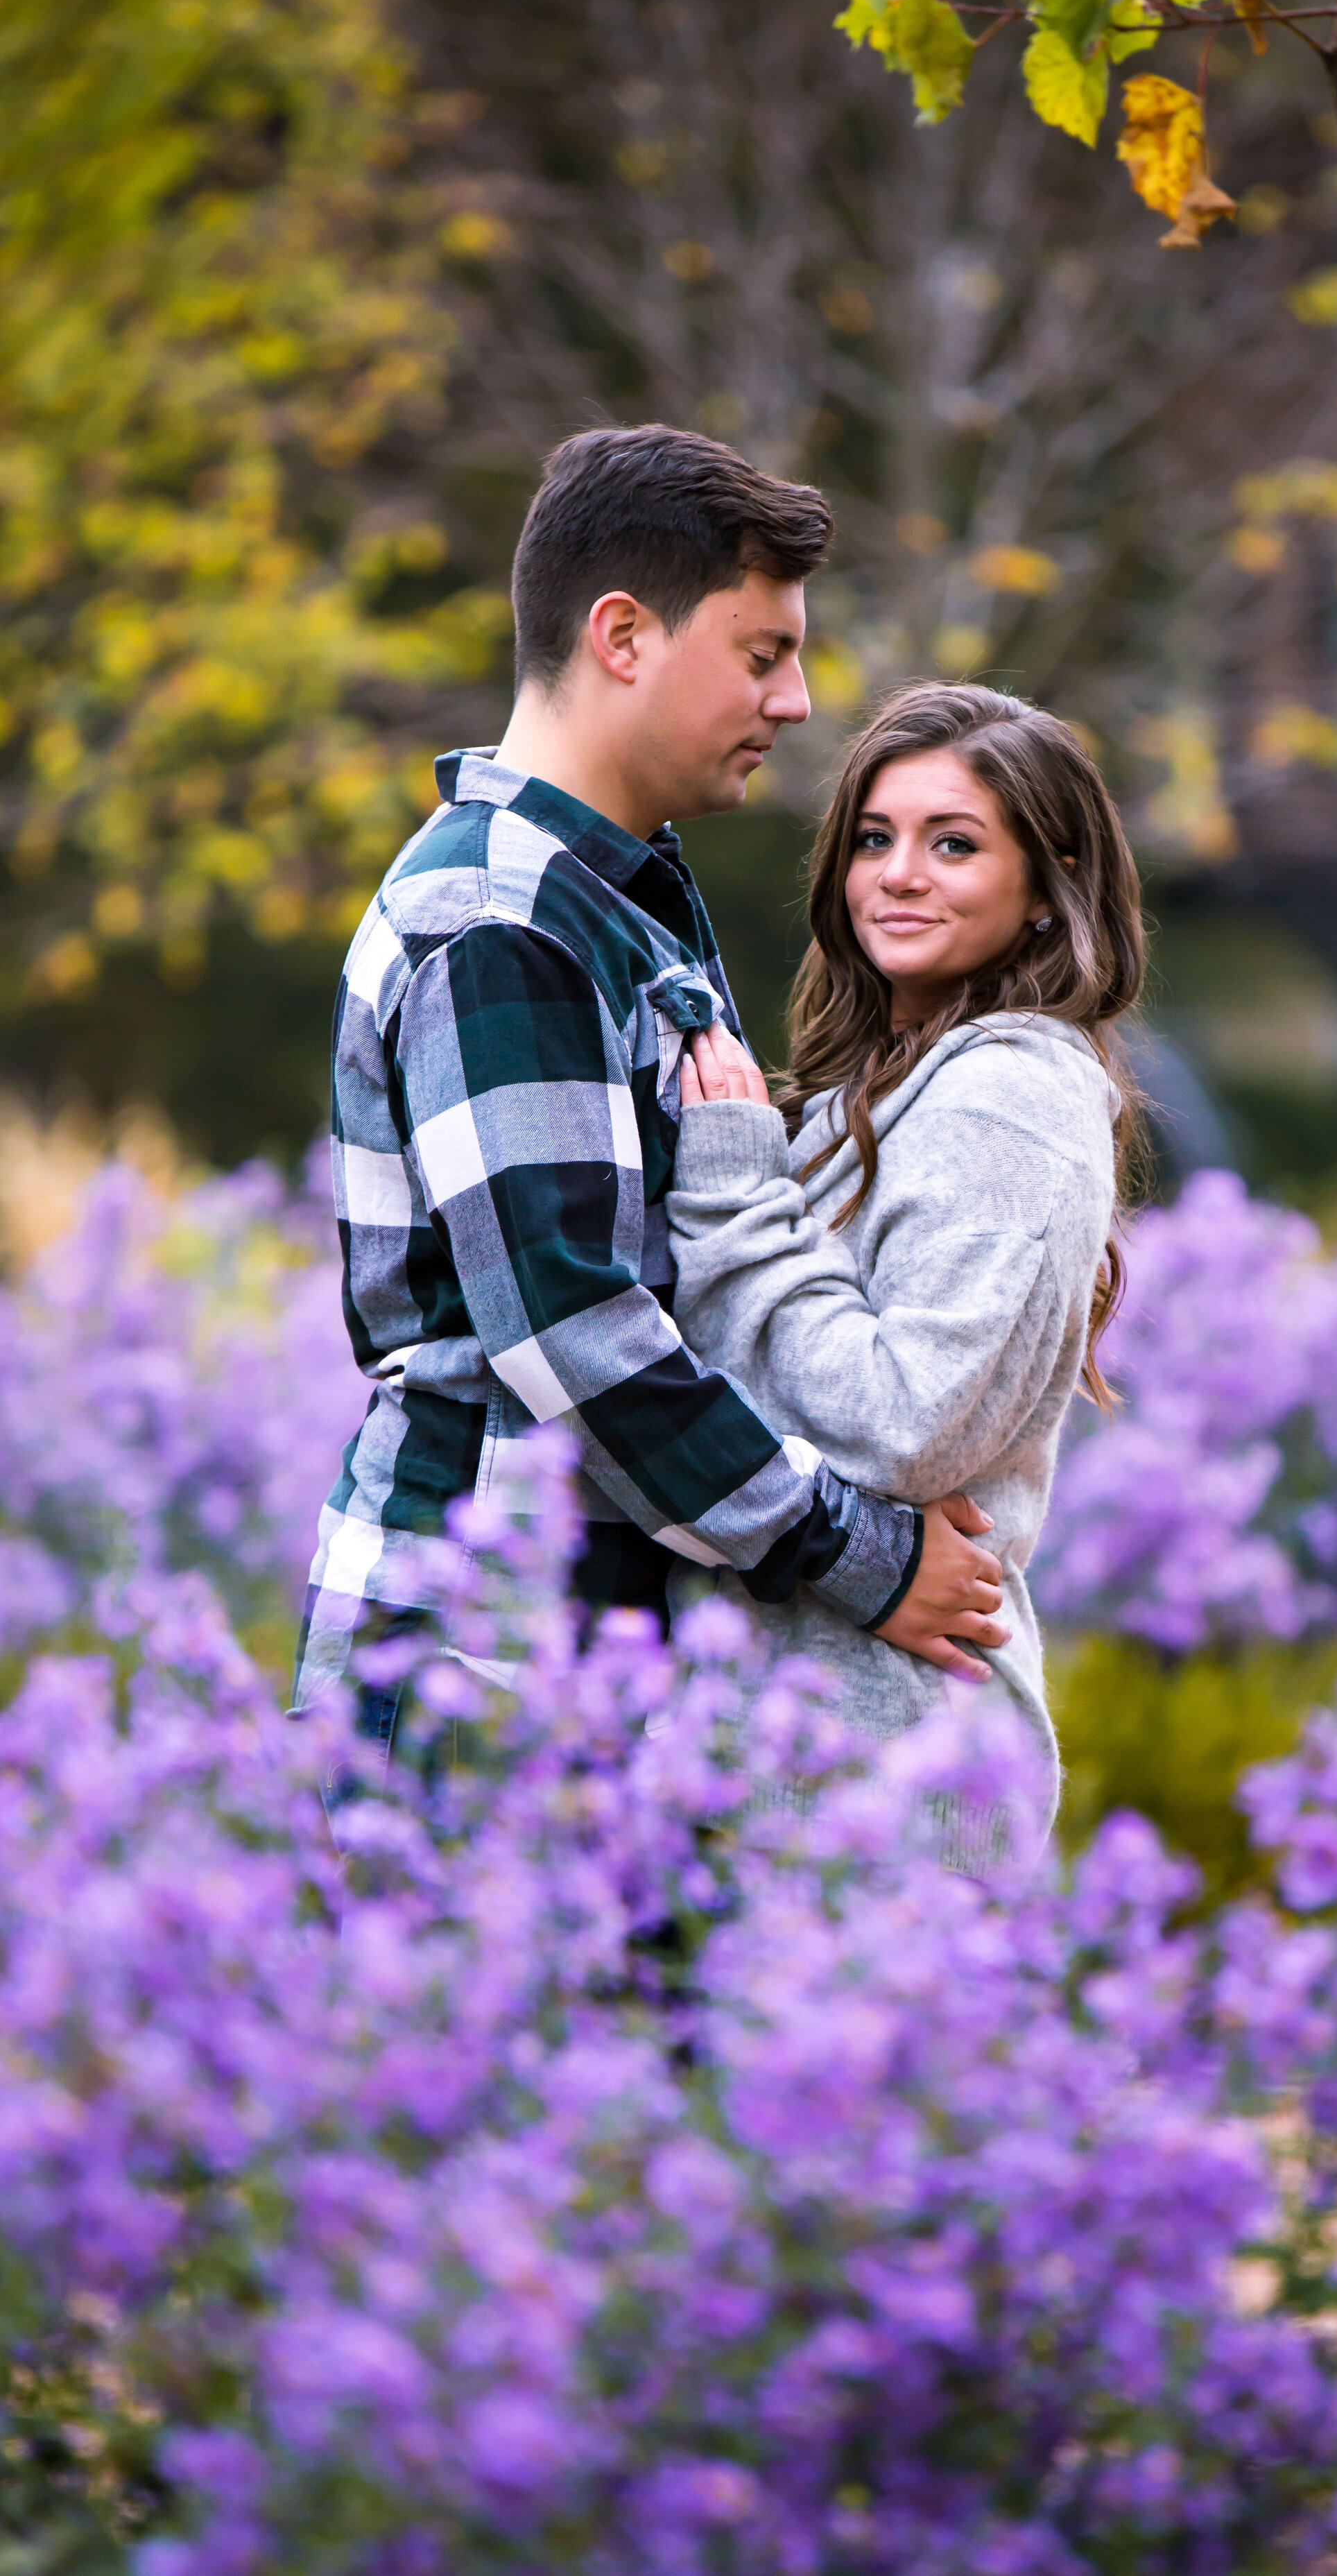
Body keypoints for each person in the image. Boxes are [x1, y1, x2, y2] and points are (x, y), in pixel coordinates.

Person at [294, 427, 1007, 1726]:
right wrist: (860, 1556)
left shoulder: (604, 895)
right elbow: (572, 1329)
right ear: (623, 637)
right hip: (481, 1664)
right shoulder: (503, 926)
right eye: (763, 653)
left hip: (584, 1656)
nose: (793, 701)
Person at [666, 682, 1146, 1844]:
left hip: (890, 1757)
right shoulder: (893, 1085)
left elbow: (903, 1421)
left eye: (955, 843)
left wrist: (734, 1186)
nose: (898, 873)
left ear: (1050, 884)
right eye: (874, 839)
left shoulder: (1007, 1098)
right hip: (818, 1730)